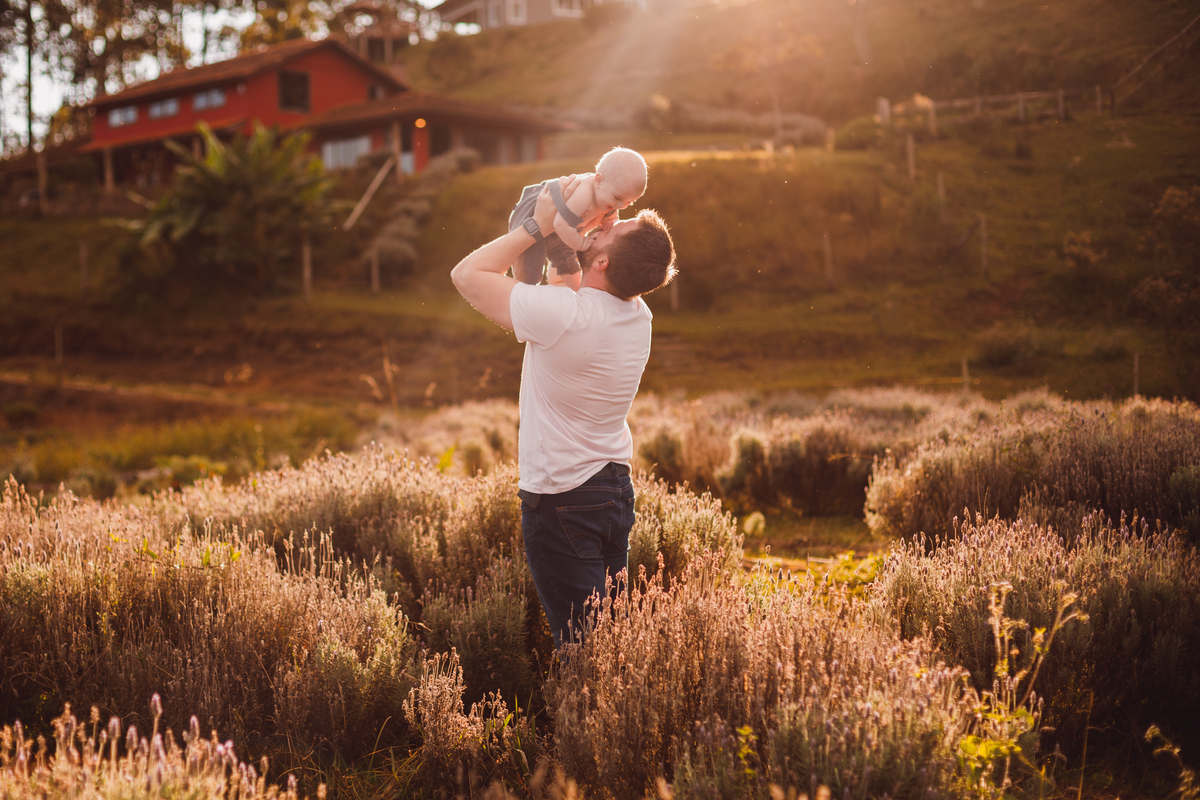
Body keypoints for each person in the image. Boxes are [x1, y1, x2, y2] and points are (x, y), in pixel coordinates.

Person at [451, 174, 675, 647]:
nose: (604, 223)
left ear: (603, 260)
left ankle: (589, 719)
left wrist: (538, 225)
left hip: (562, 499)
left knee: (584, 649)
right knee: (609, 637)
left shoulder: (564, 315)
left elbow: (466, 275)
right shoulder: (638, 316)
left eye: (611, 229)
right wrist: (580, 221)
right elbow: (574, 279)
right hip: (612, 491)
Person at [507, 147, 649, 290]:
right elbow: (560, 225)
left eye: (629, 202)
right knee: (529, 270)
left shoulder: (607, 196)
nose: (621, 206)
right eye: (617, 198)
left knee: (570, 265)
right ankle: (521, 294)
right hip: (534, 216)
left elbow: (610, 222)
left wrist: (610, 229)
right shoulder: (584, 194)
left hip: (566, 230)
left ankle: (581, 292)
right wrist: (581, 244)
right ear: (598, 181)